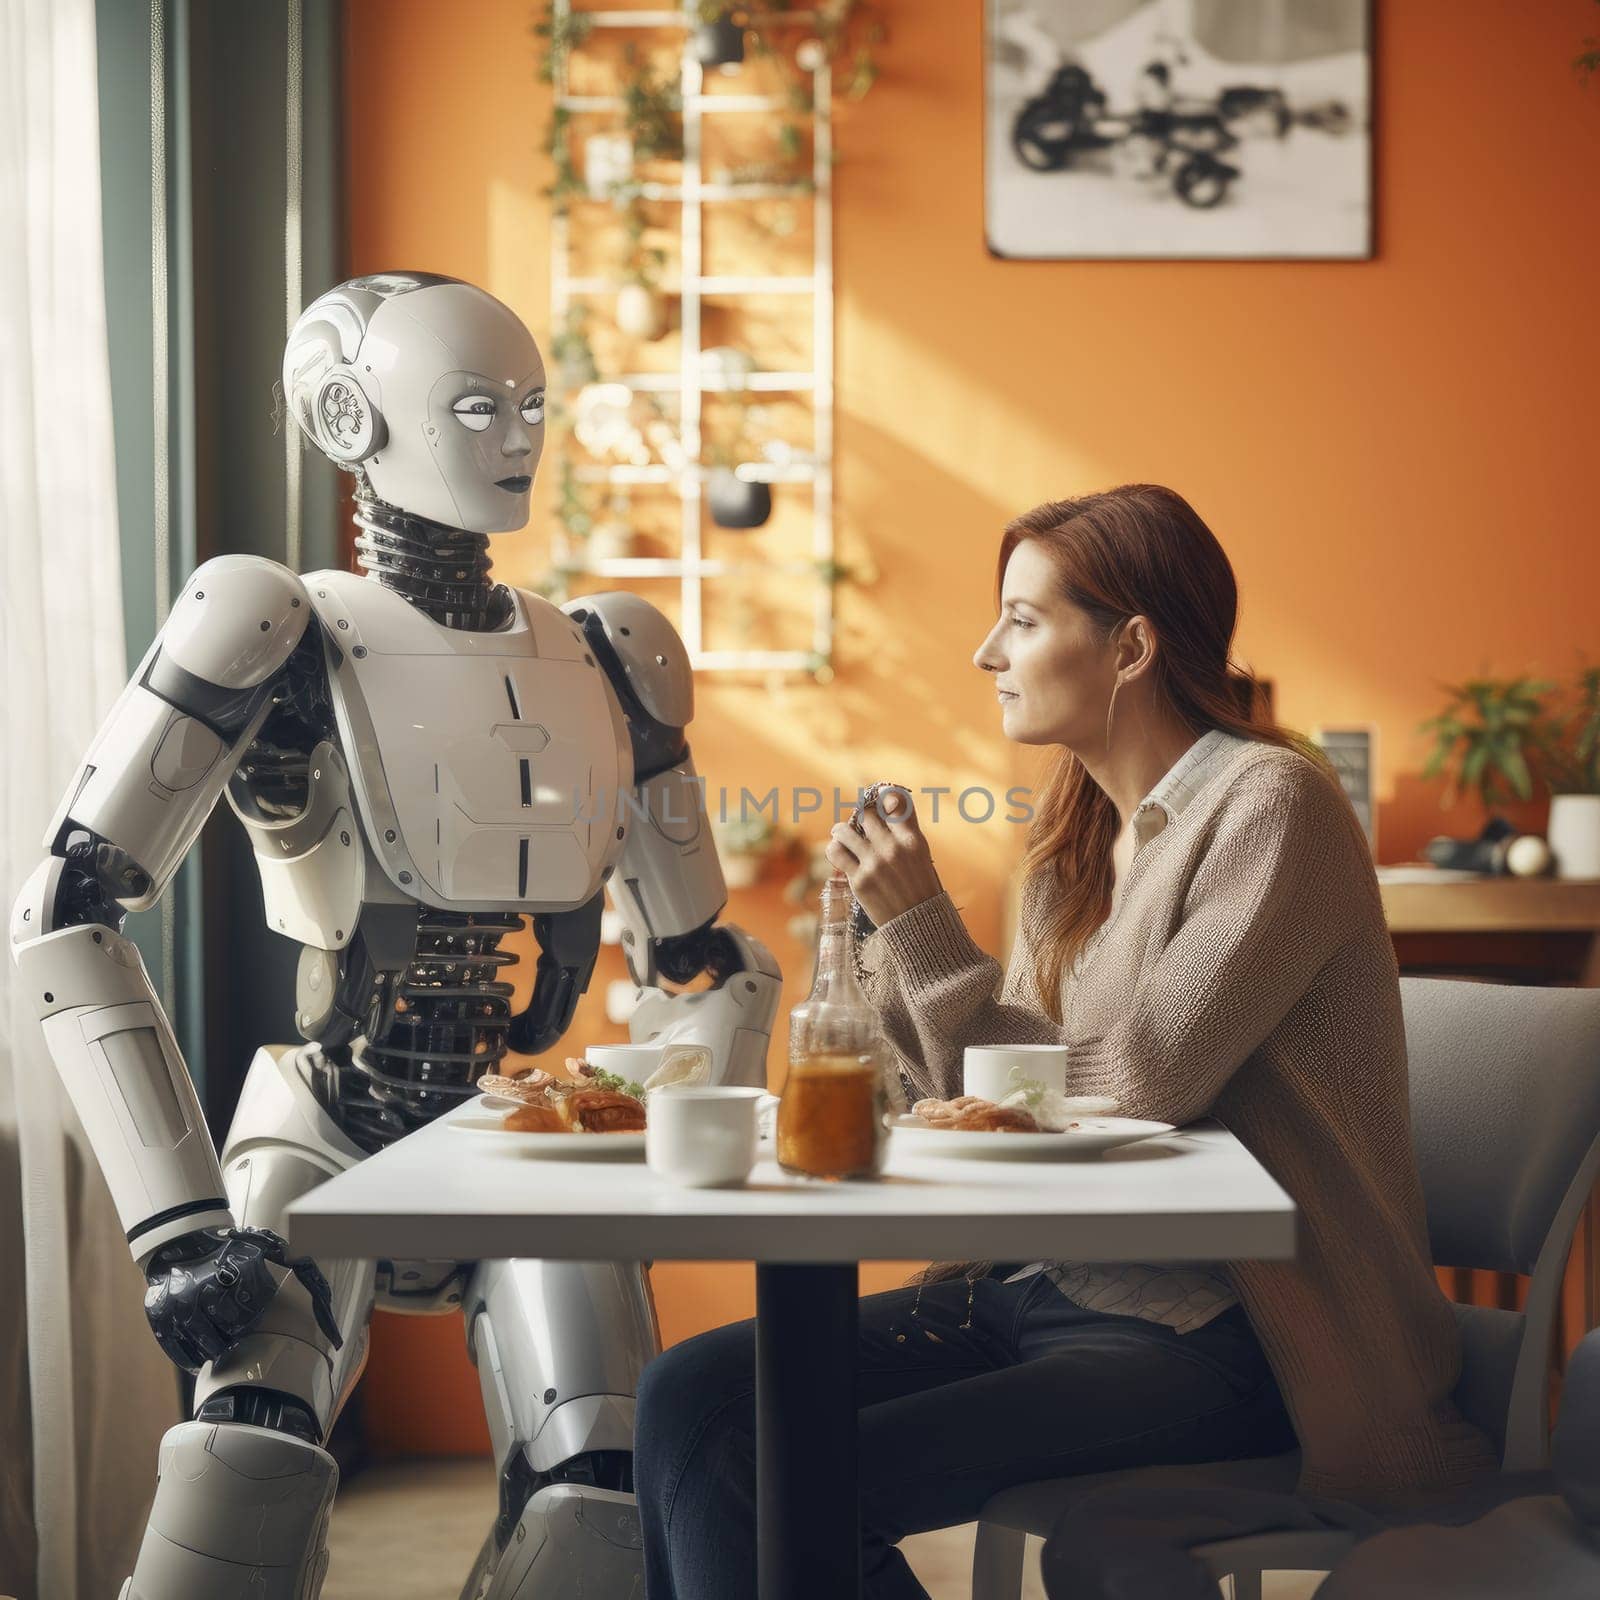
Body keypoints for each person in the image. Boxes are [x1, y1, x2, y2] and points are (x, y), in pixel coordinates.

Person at [632, 484, 1494, 1599]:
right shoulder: (1071, 842)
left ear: (1130, 645)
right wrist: (885, 939)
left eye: (1023, 620)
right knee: (687, 1399)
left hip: (1228, 1334)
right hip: (1037, 1284)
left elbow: (1139, 1080)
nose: (986, 650)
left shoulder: (1272, 808)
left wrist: (922, 925)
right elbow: (986, 1095)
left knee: (792, 1477)